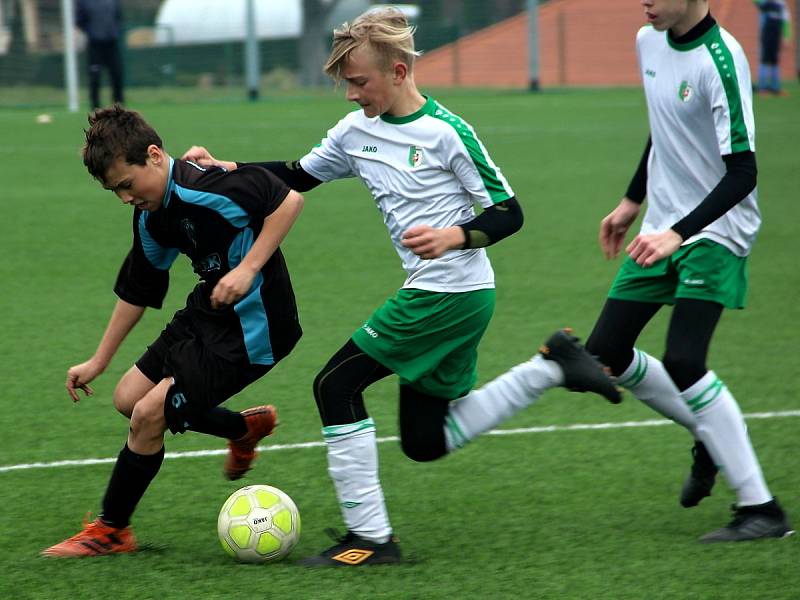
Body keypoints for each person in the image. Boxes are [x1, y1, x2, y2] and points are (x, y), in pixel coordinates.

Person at [183, 7, 621, 567]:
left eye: (359, 82)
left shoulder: (448, 134)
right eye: (346, 83)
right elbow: (295, 175)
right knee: (424, 441)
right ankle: (552, 366)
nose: (349, 95)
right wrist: (228, 165)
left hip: (450, 294)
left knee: (334, 385)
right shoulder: (353, 131)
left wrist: (456, 235)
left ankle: (370, 538)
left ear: (398, 70)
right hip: (448, 297)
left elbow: (509, 213)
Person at [41, 105, 304, 557]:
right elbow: (138, 290)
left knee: (148, 414)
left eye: (126, 184)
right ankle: (241, 429)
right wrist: (98, 361)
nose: (125, 198)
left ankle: (112, 530)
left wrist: (247, 269)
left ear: (155, 155)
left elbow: (287, 200)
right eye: (114, 191)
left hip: (256, 325)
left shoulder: (209, 186)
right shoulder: (150, 215)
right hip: (210, 311)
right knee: (127, 398)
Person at [584, 0, 793, 542]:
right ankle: (712, 435)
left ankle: (762, 510)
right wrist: (633, 201)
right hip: (661, 224)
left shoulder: (722, 60)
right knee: (604, 351)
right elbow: (665, 129)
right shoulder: (647, 41)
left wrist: (681, 232)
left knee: (683, 359)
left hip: (717, 231)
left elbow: (743, 171)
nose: (643, 2)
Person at [76, 0, 125, 110]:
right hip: (95, 45)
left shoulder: (113, 2)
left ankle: (119, 106)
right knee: (95, 77)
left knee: (117, 74)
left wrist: (114, 31)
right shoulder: (84, 2)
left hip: (111, 43)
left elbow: (118, 17)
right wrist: (92, 32)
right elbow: (79, 21)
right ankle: (95, 107)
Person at [753, 0, 793, 95]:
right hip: (766, 34)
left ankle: (775, 88)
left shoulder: (781, 4)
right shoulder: (765, 3)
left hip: (776, 35)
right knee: (764, 60)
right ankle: (762, 87)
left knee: (775, 60)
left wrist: (786, 36)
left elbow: (786, 20)